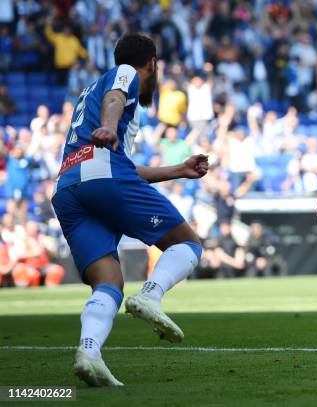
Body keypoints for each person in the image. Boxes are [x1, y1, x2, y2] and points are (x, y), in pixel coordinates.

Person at [51, 34, 209, 387]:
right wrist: (108, 123)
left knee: (108, 283)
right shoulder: (123, 76)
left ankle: (89, 352)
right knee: (188, 244)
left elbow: (118, 166)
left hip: (69, 185)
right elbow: (115, 99)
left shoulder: (89, 93)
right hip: (99, 173)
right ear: (152, 64)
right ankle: (151, 296)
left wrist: (178, 170)